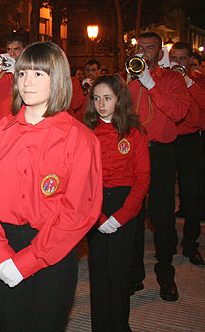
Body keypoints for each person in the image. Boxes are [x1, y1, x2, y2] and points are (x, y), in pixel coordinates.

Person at [0, 42, 102, 332]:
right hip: (2, 247)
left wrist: (27, 262)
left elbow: (78, 212)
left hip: (54, 250)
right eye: (22, 73)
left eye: (39, 74)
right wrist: (2, 255)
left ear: (58, 79)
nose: (28, 82)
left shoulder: (79, 139)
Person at [84, 75, 150, 331]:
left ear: (119, 99)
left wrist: (121, 217)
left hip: (125, 204)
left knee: (119, 273)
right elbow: (83, 178)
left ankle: (120, 326)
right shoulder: (87, 131)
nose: (101, 104)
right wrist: (98, 217)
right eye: (97, 98)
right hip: (95, 203)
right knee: (98, 273)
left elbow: (142, 180)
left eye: (107, 98)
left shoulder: (135, 132)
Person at [128, 32, 188, 301]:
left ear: (160, 53)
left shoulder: (173, 79)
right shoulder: (130, 77)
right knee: (132, 214)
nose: (144, 53)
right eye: (140, 48)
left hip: (162, 152)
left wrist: (150, 83)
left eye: (150, 48)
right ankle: (134, 275)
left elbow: (178, 113)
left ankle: (166, 274)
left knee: (162, 217)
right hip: (132, 154)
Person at [169, 42, 205, 265]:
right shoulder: (163, 79)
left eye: (183, 59)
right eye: (175, 59)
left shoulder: (198, 80)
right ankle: (167, 241)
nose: (179, 64)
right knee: (161, 195)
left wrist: (189, 83)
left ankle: (191, 244)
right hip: (167, 141)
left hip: (191, 141)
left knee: (192, 195)